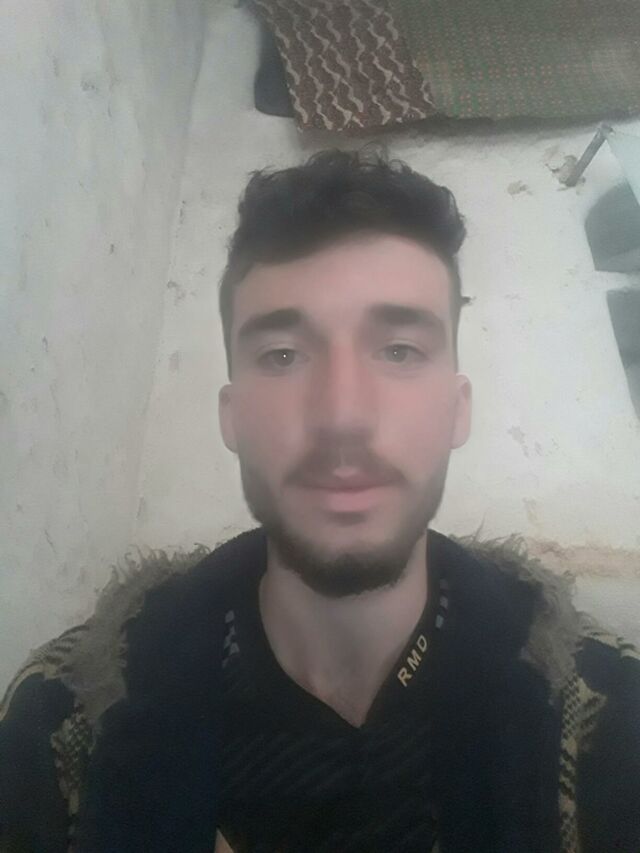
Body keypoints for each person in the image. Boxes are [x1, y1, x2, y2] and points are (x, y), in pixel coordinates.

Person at [1, 150, 639, 853]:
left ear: (458, 410)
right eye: (282, 355)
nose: (341, 415)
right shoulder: (59, 721)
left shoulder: (613, 717)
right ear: (232, 417)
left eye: (399, 350)